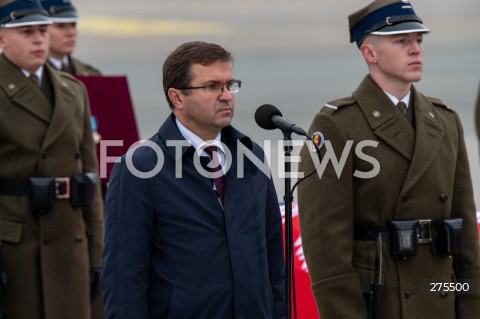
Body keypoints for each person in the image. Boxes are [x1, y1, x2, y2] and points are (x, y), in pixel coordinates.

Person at [298, 0, 480, 318]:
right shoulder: (336, 126)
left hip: (438, 296)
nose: (416, 50)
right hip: (382, 302)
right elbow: (326, 249)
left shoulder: (445, 120)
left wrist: (468, 304)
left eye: (419, 40)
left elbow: (464, 236)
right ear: (370, 53)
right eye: (402, 41)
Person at [101, 41, 285, 318]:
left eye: (230, 84)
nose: (226, 96)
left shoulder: (252, 157)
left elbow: (274, 264)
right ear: (177, 97)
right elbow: (123, 280)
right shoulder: (139, 169)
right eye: (212, 86)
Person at [0, 0, 104, 318]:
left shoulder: (74, 91)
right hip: (16, 248)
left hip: (70, 244)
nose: (38, 39)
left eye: (43, 30)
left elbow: (90, 176)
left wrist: (99, 254)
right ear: (2, 38)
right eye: (26, 31)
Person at [41, 0, 101, 76]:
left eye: (73, 25)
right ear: (42, 30)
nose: (71, 33)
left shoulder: (90, 74)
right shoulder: (33, 74)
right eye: (60, 26)